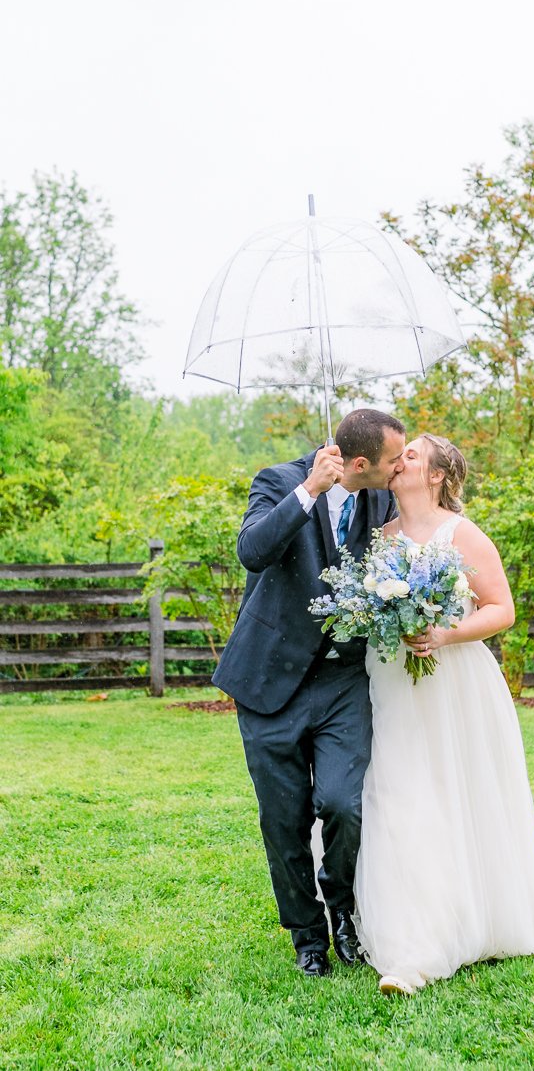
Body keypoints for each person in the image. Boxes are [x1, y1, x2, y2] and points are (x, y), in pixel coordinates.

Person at [353, 434, 534, 994]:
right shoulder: (380, 539)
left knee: (449, 795)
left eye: (411, 456)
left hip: (452, 684)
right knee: (393, 795)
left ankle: (430, 946)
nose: (399, 463)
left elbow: (502, 609)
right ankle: (407, 938)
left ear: (438, 475)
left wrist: (443, 632)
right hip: (391, 679)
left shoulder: (462, 535)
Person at [212, 408, 405, 977]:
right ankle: (307, 936)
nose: (400, 469)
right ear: (362, 463)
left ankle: (343, 913)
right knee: (284, 818)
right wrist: (308, 491)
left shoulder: (381, 499)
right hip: (269, 680)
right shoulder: (277, 480)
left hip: (344, 680)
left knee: (344, 804)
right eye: (393, 461)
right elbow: (251, 551)